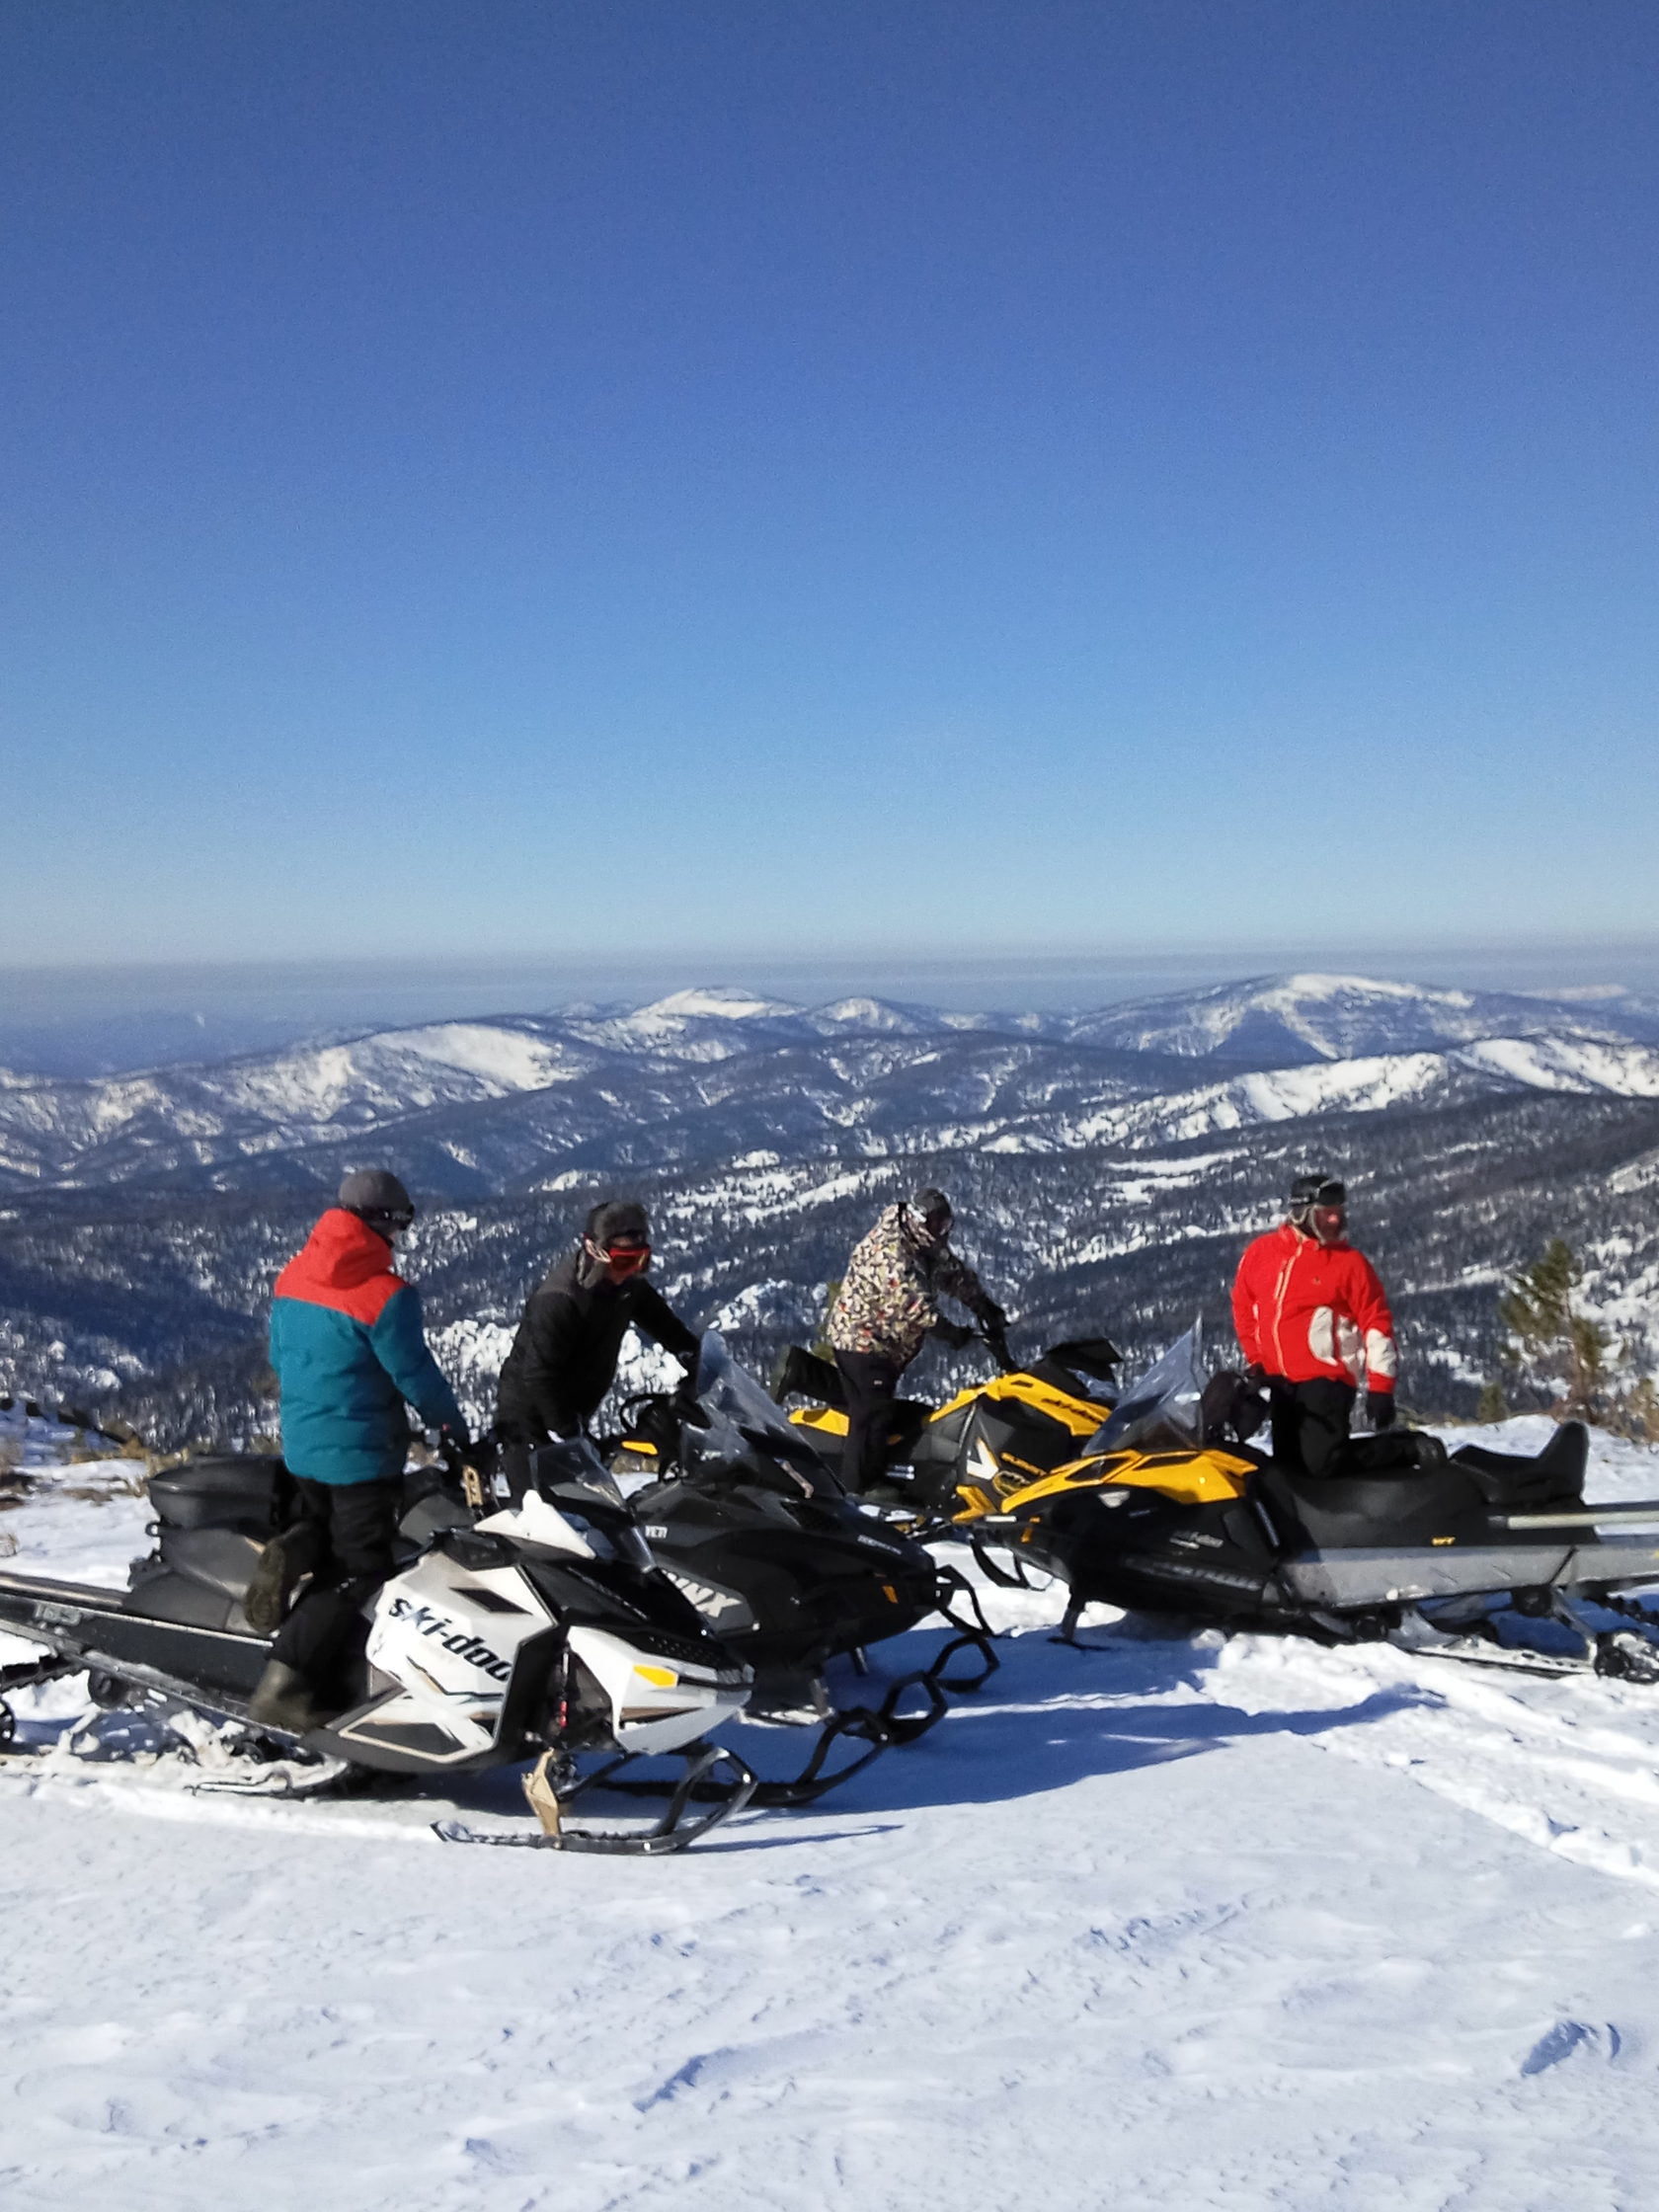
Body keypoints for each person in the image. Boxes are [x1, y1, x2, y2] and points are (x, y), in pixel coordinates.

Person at [248, 1167, 468, 1732]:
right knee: (358, 1572)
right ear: (387, 1222)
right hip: (361, 1458)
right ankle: (283, 1689)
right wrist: (453, 1430)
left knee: (328, 1547)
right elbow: (415, 1376)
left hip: (302, 1448)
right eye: (403, 1221)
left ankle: (297, 1546)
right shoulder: (387, 1297)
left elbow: (279, 1359)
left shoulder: (292, 1276)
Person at [826, 1187, 1008, 1494]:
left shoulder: (921, 1242)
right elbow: (912, 1304)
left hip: (885, 1342)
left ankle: (802, 1374)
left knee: (876, 1406)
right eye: (935, 1225)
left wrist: (982, 1305)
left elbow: (952, 1275)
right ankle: (858, 1491)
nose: (940, 1232)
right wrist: (950, 1332)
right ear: (916, 1219)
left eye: (945, 1225)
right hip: (864, 1340)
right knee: (871, 1416)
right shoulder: (890, 1252)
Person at [494, 1201, 699, 1470]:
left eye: (642, 1259)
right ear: (595, 1250)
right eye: (624, 1261)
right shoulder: (560, 1300)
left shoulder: (627, 1285)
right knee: (539, 1508)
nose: (633, 1270)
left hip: (570, 1410)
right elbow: (538, 1374)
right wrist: (567, 1432)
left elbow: (663, 1324)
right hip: (528, 1419)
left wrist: (696, 1357)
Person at [1230, 1173, 1398, 1475]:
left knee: (1321, 1462)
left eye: (1340, 1212)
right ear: (1300, 1213)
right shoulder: (1261, 1253)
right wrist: (1256, 1359)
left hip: (1327, 1376)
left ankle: (1406, 1448)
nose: (1335, 1220)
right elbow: (1245, 1307)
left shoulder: (1349, 1263)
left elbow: (1376, 1322)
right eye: (1326, 1213)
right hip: (1281, 1381)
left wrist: (1381, 1386)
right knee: (1289, 1468)